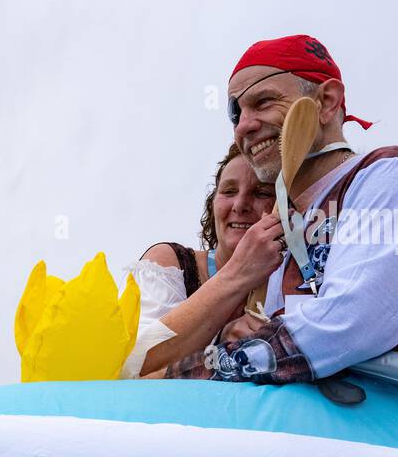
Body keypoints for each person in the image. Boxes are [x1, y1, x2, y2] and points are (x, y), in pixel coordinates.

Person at [164, 34, 398, 383]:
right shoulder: (280, 221)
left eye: (264, 101)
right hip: (294, 426)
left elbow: (347, 323)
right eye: (236, 112)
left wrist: (181, 377)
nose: (243, 125)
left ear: (327, 101)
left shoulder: (390, 175)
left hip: (371, 424)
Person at [119, 143, 280, 378]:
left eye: (262, 192)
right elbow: (131, 368)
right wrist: (220, 345)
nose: (240, 205)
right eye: (229, 191)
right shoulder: (172, 263)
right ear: (213, 203)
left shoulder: (298, 277)